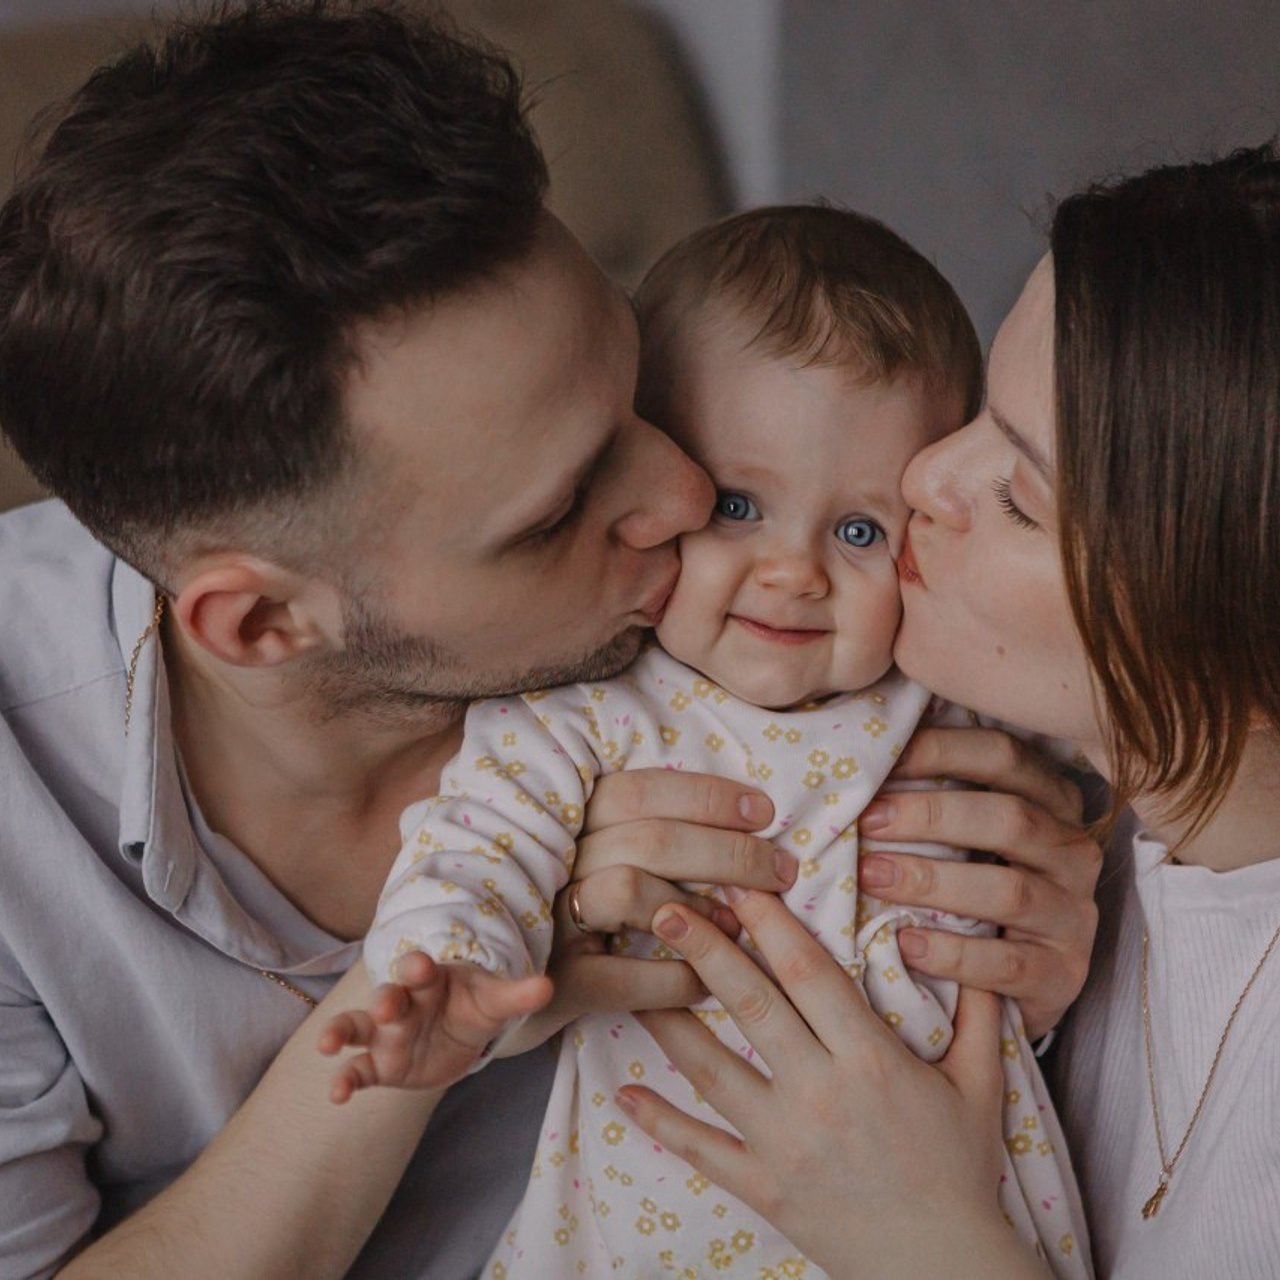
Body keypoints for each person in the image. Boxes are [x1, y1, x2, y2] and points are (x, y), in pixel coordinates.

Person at [0, 2, 1100, 1275]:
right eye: (563, 506)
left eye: (638, 394)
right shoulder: (24, 800)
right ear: (262, 622)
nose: (685, 499)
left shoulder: (789, 636)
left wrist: (1052, 956)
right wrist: (442, 1005)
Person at [323, 205, 1091, 1277]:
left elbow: (1099, 789)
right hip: (663, 1225)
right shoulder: (589, 711)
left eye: (857, 529)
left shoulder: (943, 691)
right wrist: (451, 971)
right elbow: (476, 845)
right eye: (737, 502)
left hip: (957, 1212)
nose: (792, 570)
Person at [614, 145, 1280, 1279]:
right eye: (977, 415)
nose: (921, 478)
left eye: (1016, 495)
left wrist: (928, 1243)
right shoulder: (1048, 840)